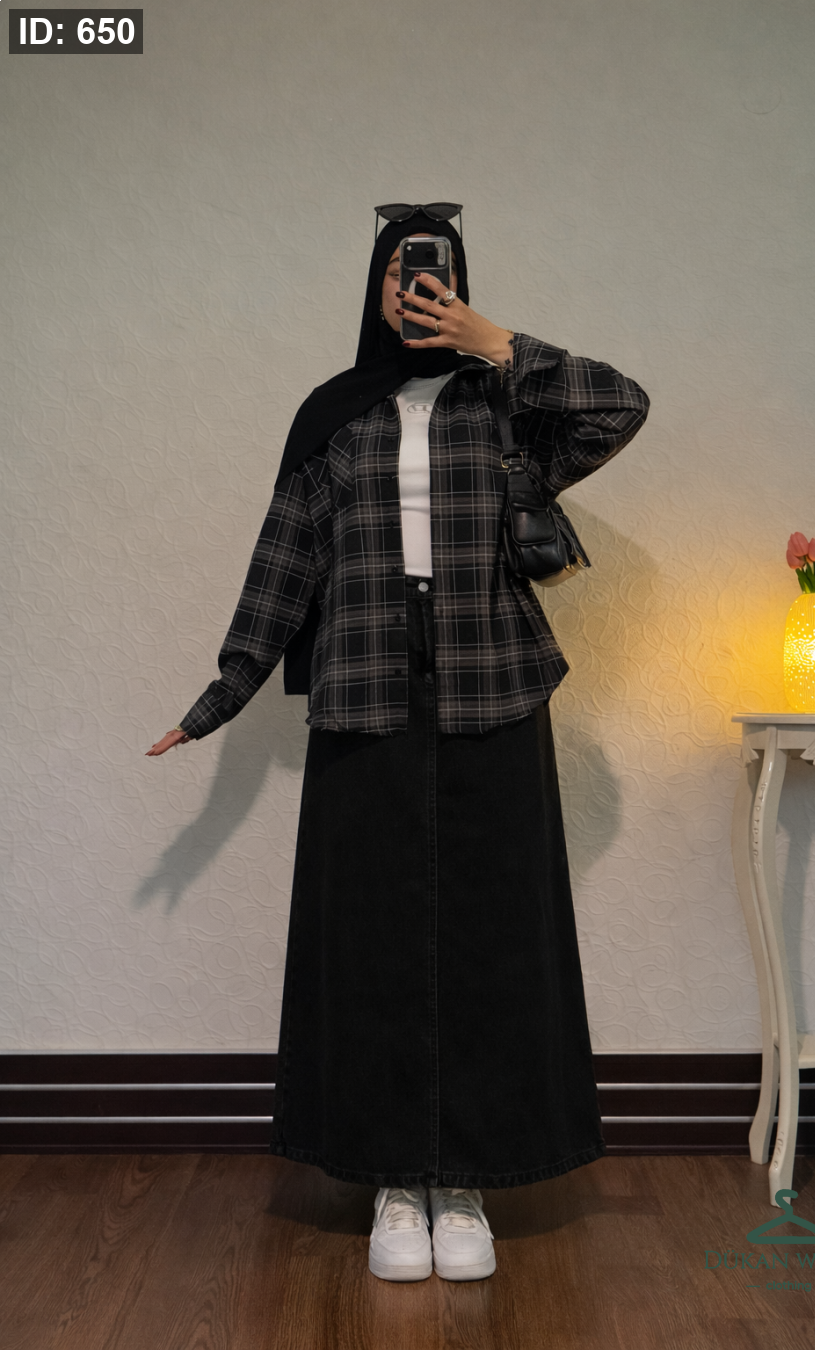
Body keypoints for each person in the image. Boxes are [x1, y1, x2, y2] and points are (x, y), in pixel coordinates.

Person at [147, 206, 650, 1283]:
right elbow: (285, 558)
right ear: (375, 287)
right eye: (402, 273)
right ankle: (391, 1181)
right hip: (365, 694)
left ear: (459, 284)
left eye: (439, 272)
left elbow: (621, 404)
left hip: (495, 690)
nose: (418, 288)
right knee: (371, 941)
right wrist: (222, 694)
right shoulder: (333, 417)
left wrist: (497, 343)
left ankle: (465, 1181)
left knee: (493, 941)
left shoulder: (506, 405)